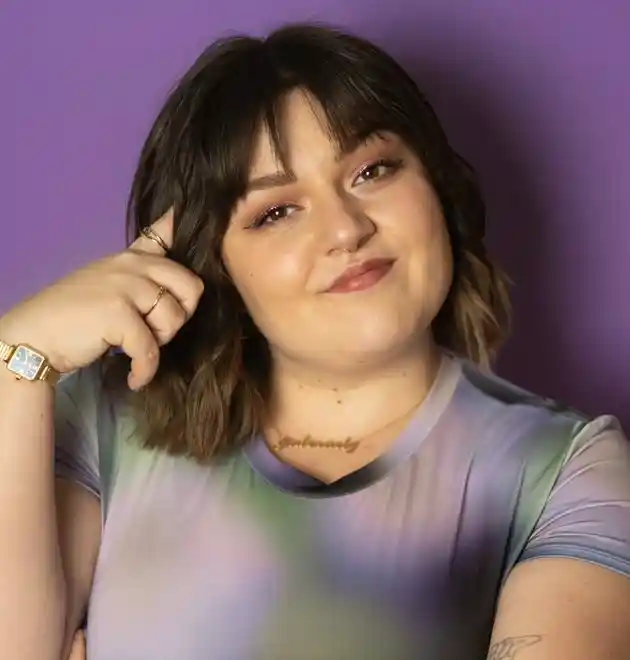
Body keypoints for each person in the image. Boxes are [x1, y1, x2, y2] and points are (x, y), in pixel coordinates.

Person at [1, 22, 629, 660]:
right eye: (276, 211)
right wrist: (18, 356)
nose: (345, 229)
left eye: (372, 171)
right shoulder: (105, 423)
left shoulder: (564, 467)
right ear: (212, 266)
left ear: (437, 186)